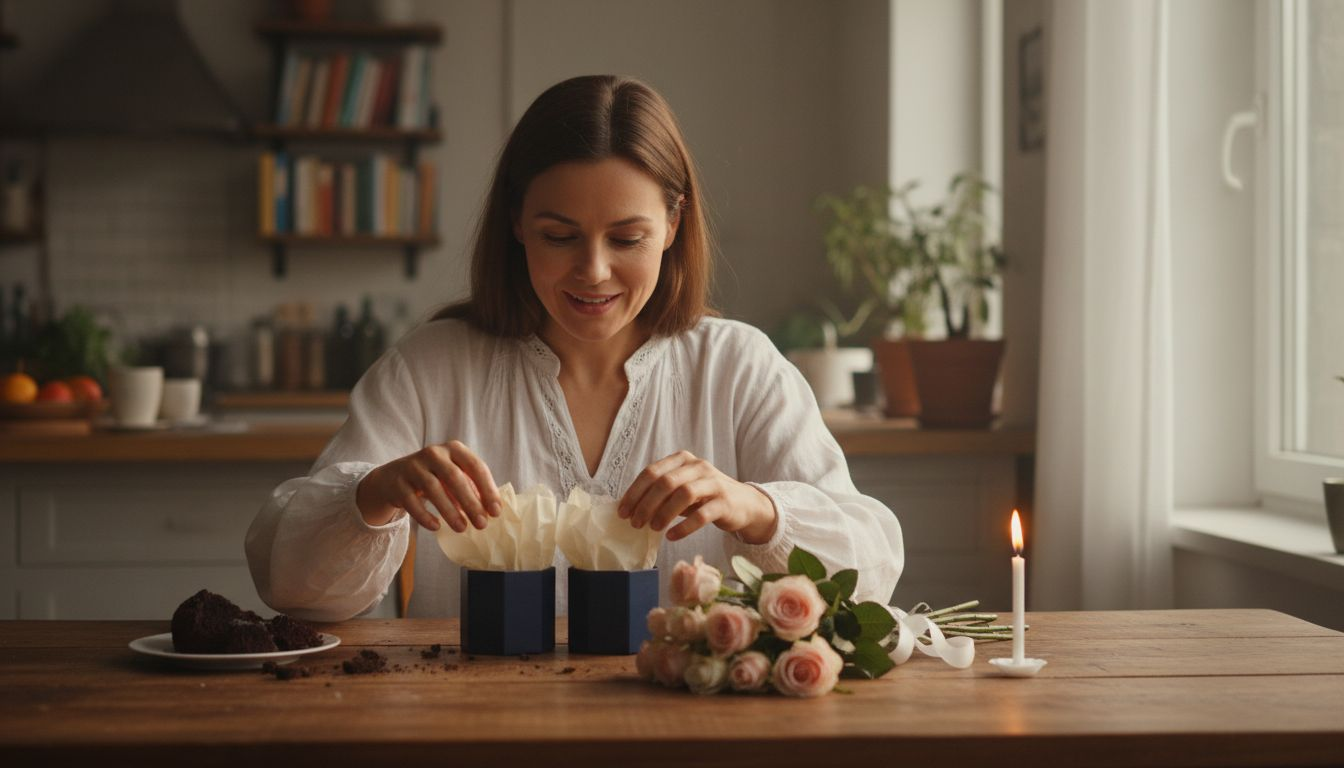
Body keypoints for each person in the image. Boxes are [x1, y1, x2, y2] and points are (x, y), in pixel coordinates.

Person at [245, 75, 904, 622]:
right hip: (472, 729)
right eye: (560, 236)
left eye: (626, 238)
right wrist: (374, 493)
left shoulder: (740, 368)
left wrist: (756, 509)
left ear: (673, 224)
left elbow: (869, 575)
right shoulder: (432, 367)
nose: (593, 271)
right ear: (516, 225)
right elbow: (290, 587)